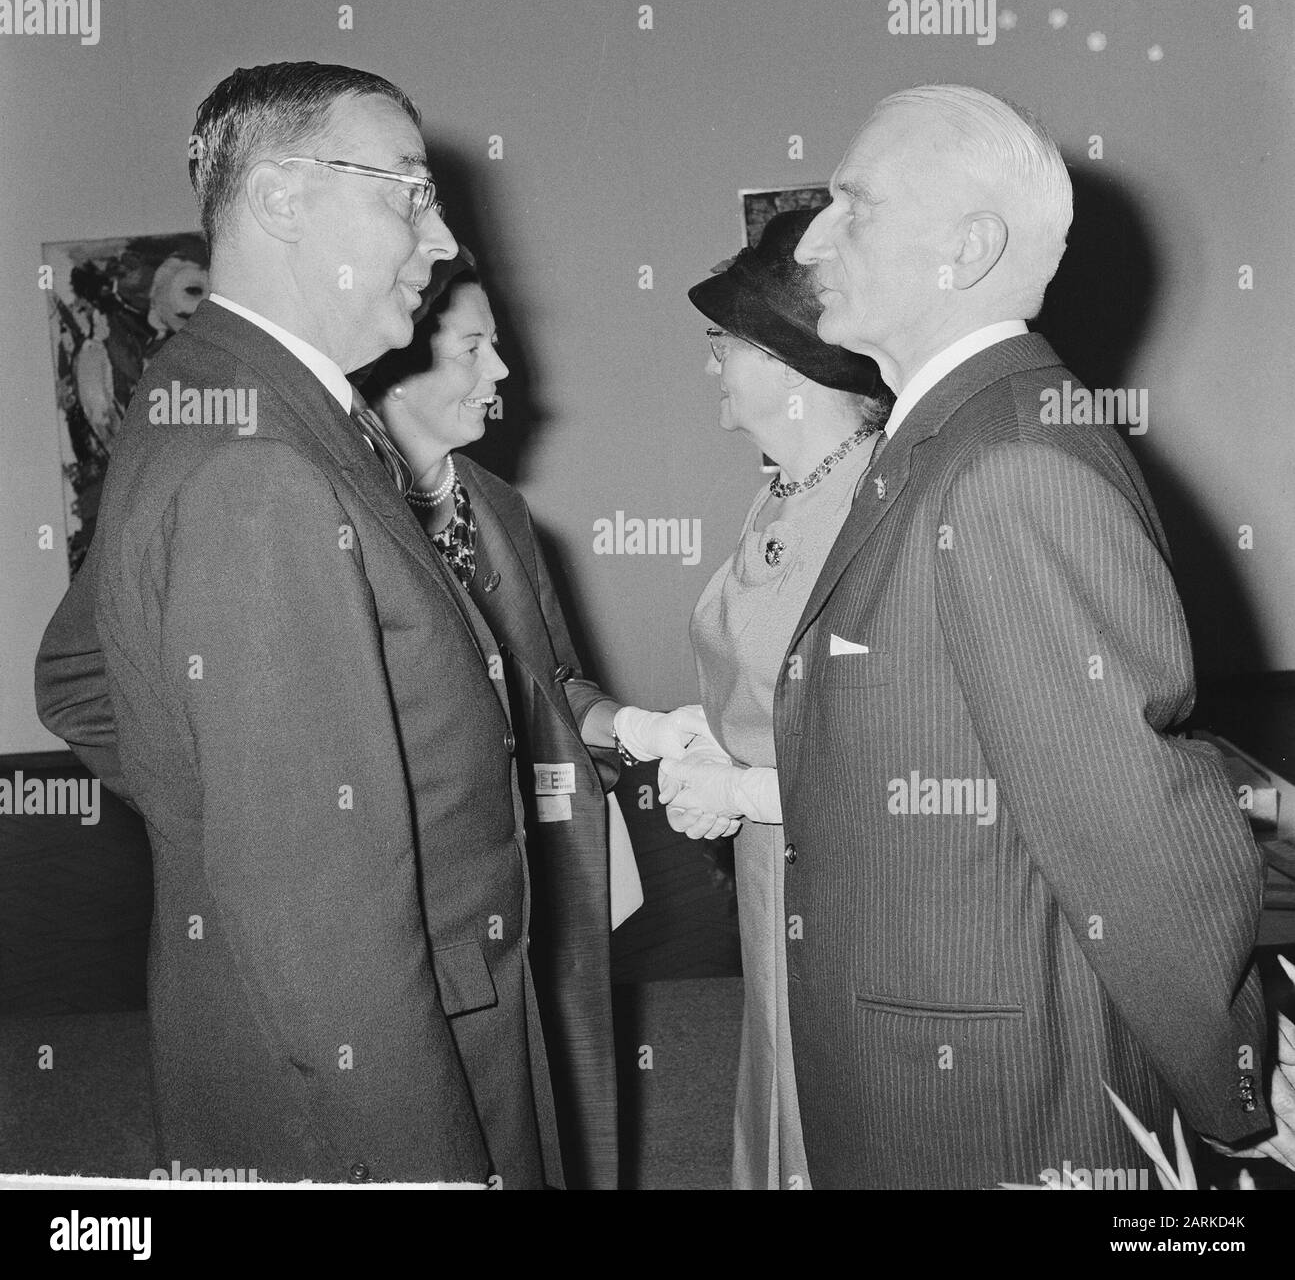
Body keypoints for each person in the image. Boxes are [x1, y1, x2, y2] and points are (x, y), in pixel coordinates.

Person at [33, 61, 712, 1186]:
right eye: (407, 190)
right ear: (283, 199)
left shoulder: (228, 402)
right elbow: (325, 944)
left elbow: (89, 675)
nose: (439, 236)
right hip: (387, 1075)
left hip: (397, 1007)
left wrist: (231, 821)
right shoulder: (263, 470)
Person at [764, 81, 1278, 1188]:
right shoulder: (952, 438)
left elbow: (1128, 821)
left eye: (852, 205)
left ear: (966, 249)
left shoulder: (1005, 466)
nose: (811, 236)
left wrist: (1237, 1075)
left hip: (998, 1097)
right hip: (931, 1056)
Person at [364, 265, 718, 1188]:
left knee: (563, 1126)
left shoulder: (500, 509)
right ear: (392, 367)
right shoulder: (339, 508)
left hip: (535, 874)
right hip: (415, 890)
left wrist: (636, 727)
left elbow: (551, 680)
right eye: (474, 347)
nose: (504, 370)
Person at [655, 209, 892, 1189]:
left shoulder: (872, 501)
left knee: (844, 1102)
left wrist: (748, 790)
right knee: (780, 1069)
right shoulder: (788, 486)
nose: (710, 358)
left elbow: (897, 745)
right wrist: (708, 747)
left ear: (790, 365)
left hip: (851, 867)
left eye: (728, 342)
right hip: (768, 859)